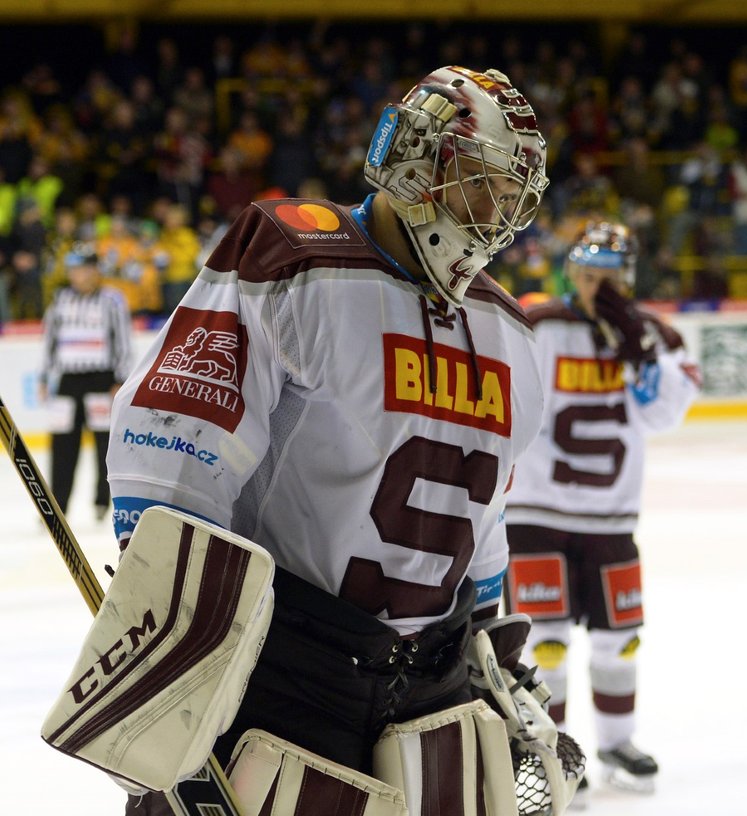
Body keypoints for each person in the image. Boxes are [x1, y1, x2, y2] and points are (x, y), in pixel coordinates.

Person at [105, 66, 570, 815]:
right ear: (417, 163)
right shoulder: (297, 258)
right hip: (280, 674)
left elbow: (485, 511)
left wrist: (495, 652)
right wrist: (173, 658)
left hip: (429, 691)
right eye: (482, 185)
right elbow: (173, 447)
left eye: (512, 199)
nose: (499, 217)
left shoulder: (508, 329)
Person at [503, 222, 701, 803]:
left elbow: (664, 416)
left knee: (622, 638)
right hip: (537, 512)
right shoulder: (538, 325)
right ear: (572, 275)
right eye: (588, 277)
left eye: (609, 278)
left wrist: (639, 354)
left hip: (612, 517)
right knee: (547, 641)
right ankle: (554, 749)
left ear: (628, 279)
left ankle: (617, 740)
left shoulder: (657, 338)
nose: (597, 288)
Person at [39, 243, 133, 519]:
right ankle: (58, 505)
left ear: (94, 270)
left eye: (82, 268)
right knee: (62, 443)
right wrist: (45, 376)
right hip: (67, 380)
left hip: (101, 379)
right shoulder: (60, 300)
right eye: (73, 269)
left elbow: (123, 343)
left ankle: (102, 501)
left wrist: (120, 379)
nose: (76, 274)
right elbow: (49, 342)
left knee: (104, 443)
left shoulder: (112, 300)